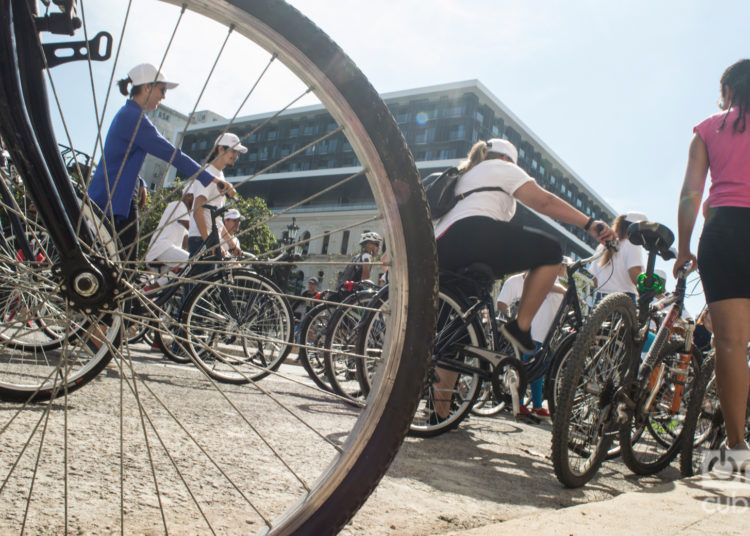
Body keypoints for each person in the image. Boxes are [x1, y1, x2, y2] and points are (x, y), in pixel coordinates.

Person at [431, 138, 614, 419]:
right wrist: (589, 223)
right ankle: (520, 325)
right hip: (473, 237)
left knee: (452, 333)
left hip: (442, 248)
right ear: (509, 160)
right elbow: (544, 201)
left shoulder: (464, 175)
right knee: (551, 251)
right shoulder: (501, 168)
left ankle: (439, 413)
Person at [675, 58, 750, 453]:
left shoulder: (707, 129)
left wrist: (685, 247)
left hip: (723, 234)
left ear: (729, 91)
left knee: (731, 344)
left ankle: (737, 446)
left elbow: (690, 193)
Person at [87, 63, 236, 262]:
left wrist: (141, 183)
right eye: (162, 90)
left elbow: (122, 157)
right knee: (121, 265)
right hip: (112, 201)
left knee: (118, 264)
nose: (164, 96)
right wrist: (212, 179)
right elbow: (172, 154)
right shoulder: (134, 118)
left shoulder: (127, 115)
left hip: (114, 197)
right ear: (147, 87)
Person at [497, 266, 567, 418]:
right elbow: (501, 304)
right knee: (524, 367)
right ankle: (520, 403)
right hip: (532, 331)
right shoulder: (524, 280)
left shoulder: (555, 281)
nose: (565, 269)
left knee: (538, 370)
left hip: (544, 334)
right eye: (564, 265)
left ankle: (536, 405)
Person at [187, 132, 247, 266]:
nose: (236, 156)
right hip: (201, 239)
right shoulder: (208, 173)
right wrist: (209, 243)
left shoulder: (220, 175)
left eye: (238, 153)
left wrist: (232, 245)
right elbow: (197, 211)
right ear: (220, 149)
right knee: (198, 286)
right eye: (233, 151)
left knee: (209, 286)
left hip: (208, 239)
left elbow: (218, 220)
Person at [589, 212, 647, 302]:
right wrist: (656, 291)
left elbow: (595, 280)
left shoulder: (602, 246)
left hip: (600, 299)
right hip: (623, 301)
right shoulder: (632, 244)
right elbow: (635, 275)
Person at [144, 192, 191, 278]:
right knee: (191, 261)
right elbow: (190, 228)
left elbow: (186, 243)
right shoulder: (179, 205)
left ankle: (149, 289)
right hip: (163, 248)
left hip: (162, 252)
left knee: (165, 287)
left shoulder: (185, 214)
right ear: (189, 196)